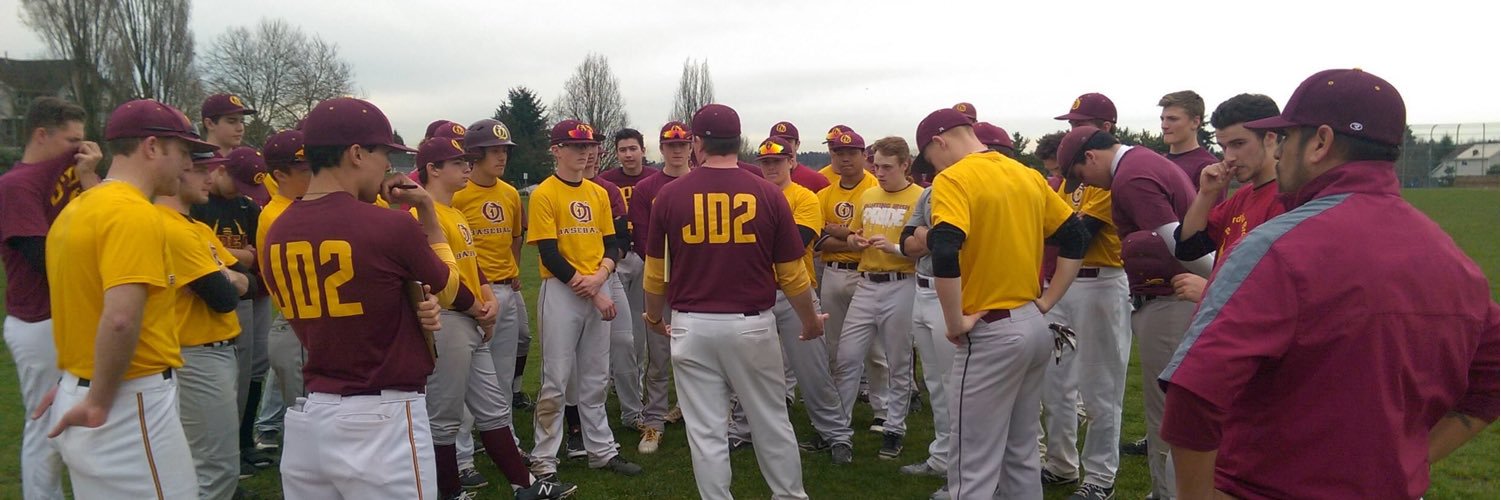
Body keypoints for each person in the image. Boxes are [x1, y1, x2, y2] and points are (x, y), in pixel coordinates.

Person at [1160, 68, 1499, 499]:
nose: (1278, 153)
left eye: (1287, 138)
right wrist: (1413, 457)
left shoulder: (1274, 246)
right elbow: (1492, 378)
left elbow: (1194, 390)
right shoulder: (1454, 259)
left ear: (1319, 142)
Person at [259, 97, 453, 498]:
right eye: (384, 153)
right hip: (382, 414)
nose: (388, 166)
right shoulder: (390, 224)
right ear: (356, 153)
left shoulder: (276, 229)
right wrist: (428, 212)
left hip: (312, 414)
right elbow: (451, 286)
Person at [642, 103, 822, 500]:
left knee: (705, 431)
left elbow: (655, 273)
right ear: (738, 141)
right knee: (771, 420)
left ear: (696, 142)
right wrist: (810, 320)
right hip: (751, 323)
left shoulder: (670, 195)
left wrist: (654, 316)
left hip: (692, 323)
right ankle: (790, 495)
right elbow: (792, 273)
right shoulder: (768, 192)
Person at [45, 98, 219, 498]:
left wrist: (77, 380)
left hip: (84, 385)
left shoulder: (79, 207)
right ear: (152, 147)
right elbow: (120, 318)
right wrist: (99, 400)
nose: (189, 165)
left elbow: (79, 307)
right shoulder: (134, 213)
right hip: (125, 398)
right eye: (183, 152)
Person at [918, 107, 1088, 500]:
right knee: (1021, 453)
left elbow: (944, 248)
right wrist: (1048, 300)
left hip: (990, 331)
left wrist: (954, 320)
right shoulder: (1025, 173)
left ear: (940, 142)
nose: (932, 166)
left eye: (930, 157)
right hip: (1033, 321)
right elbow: (1075, 236)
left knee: (971, 465)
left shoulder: (954, 177)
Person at [412, 136, 575, 500]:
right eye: (457, 162)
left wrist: (487, 300)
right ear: (433, 169)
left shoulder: (453, 211)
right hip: (447, 320)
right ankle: (449, 491)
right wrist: (477, 308)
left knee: (493, 408)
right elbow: (437, 279)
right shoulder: (421, 216)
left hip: (470, 317)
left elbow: (470, 265)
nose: (466, 167)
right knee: (444, 416)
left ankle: (525, 485)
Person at [1057, 123, 1207, 500]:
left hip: (1169, 296)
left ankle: (1167, 493)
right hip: (1165, 295)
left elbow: (1180, 245)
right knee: (1166, 412)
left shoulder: (1130, 177)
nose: (1087, 184)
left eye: (1081, 175)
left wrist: (1224, 281)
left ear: (1091, 157)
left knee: (1168, 415)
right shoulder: (1140, 161)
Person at [527, 119, 643, 478]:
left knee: (595, 377)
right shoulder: (544, 193)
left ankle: (601, 450)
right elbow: (549, 253)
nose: (585, 152)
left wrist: (602, 275)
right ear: (557, 150)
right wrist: (593, 288)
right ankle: (544, 459)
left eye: (588, 146)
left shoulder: (596, 193)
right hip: (563, 290)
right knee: (557, 378)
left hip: (597, 283)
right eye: (575, 146)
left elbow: (612, 242)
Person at [728, 136, 853, 464]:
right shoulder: (750, 196)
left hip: (796, 293)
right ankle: (741, 431)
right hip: (756, 293)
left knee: (813, 371)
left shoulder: (804, 197)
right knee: (749, 367)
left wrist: (751, 247)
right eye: (766, 162)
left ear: (791, 162)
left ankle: (836, 434)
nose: (771, 167)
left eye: (778, 161)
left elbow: (797, 243)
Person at [0, 96, 100, 500]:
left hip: (72, 314)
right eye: (71, 139)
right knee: (44, 426)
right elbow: (43, 258)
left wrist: (90, 176)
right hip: (38, 320)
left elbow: (105, 220)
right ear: (42, 135)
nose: (80, 148)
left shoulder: (78, 171)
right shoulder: (16, 185)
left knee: (82, 421)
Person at [1035, 126, 1134, 499]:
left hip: (1101, 282)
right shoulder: (1069, 182)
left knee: (1101, 387)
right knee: (1056, 383)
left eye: (1083, 122)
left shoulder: (1109, 179)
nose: (1075, 129)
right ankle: (1061, 465)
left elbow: (1077, 232)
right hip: (1062, 283)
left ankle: (1100, 476)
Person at [161, 149, 252, 498]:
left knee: (212, 463)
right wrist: (230, 277)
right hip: (194, 352)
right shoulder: (172, 227)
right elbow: (224, 297)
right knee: (214, 467)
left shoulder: (196, 226)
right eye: (199, 170)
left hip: (215, 350)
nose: (209, 178)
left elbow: (249, 282)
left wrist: (229, 275)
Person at [449, 118, 529, 488]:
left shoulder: (510, 193)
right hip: (472, 298)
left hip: (506, 291)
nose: (502, 157)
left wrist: (510, 270)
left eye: (505, 151)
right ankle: (463, 458)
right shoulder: (459, 195)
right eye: (495, 151)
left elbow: (515, 237)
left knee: (499, 378)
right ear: (475, 154)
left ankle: (507, 445)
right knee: (467, 380)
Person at [189, 145, 277, 474]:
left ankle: (243, 442)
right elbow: (205, 252)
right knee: (232, 377)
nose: (244, 193)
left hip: (252, 293)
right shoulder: (200, 205)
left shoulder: (246, 206)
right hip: (222, 302)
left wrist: (229, 255)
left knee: (255, 368)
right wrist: (239, 256)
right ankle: (230, 455)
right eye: (239, 183)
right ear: (221, 170)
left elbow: (258, 256)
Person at [834, 136, 923, 459]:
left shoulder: (920, 198)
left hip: (902, 282)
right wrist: (856, 241)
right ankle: (838, 429)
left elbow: (926, 250)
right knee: (846, 356)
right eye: (876, 165)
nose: (879, 172)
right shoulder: (869, 194)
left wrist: (897, 249)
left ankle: (894, 428)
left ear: (904, 165)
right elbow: (856, 231)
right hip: (867, 281)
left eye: (887, 166)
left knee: (898, 360)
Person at [1170, 94, 1284, 303]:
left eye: (1238, 144)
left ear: (1270, 137)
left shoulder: (1289, 201)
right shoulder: (1241, 197)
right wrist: (1206, 194)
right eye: (1224, 147)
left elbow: (1278, 291)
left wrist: (1210, 291)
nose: (1229, 156)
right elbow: (1188, 248)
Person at [626, 121, 696, 454]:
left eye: (683, 143)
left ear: (693, 145)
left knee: (705, 353)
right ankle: (653, 421)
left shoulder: (705, 182)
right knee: (658, 355)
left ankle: (704, 414)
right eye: (671, 144)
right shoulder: (647, 187)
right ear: (662, 148)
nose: (678, 149)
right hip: (663, 282)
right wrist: (666, 274)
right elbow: (642, 239)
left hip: (702, 283)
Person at [814, 126, 888, 432]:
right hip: (832, 274)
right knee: (834, 346)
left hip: (866, 274)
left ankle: (882, 409)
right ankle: (837, 409)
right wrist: (847, 238)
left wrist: (835, 230)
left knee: (875, 349)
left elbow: (871, 239)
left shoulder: (876, 190)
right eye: (839, 153)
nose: (845, 159)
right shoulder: (823, 193)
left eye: (851, 153)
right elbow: (816, 242)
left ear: (863, 155)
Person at [251, 129, 314, 463]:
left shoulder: (298, 206)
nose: (313, 173)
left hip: (306, 322)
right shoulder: (278, 214)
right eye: (304, 169)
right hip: (296, 323)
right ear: (279, 175)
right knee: (306, 419)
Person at [200, 94, 264, 203]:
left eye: (242, 121)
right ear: (210, 124)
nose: (240, 128)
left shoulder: (248, 161)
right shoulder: (195, 163)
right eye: (232, 121)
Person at [1158, 90, 1221, 194]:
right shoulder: (1158, 162)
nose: (1164, 125)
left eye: (1172, 119)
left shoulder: (1207, 166)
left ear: (1195, 122)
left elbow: (1210, 210)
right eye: (1162, 119)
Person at [768, 121, 832, 193]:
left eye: (787, 142)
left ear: (797, 144)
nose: (782, 147)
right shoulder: (763, 179)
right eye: (777, 143)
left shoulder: (816, 181)